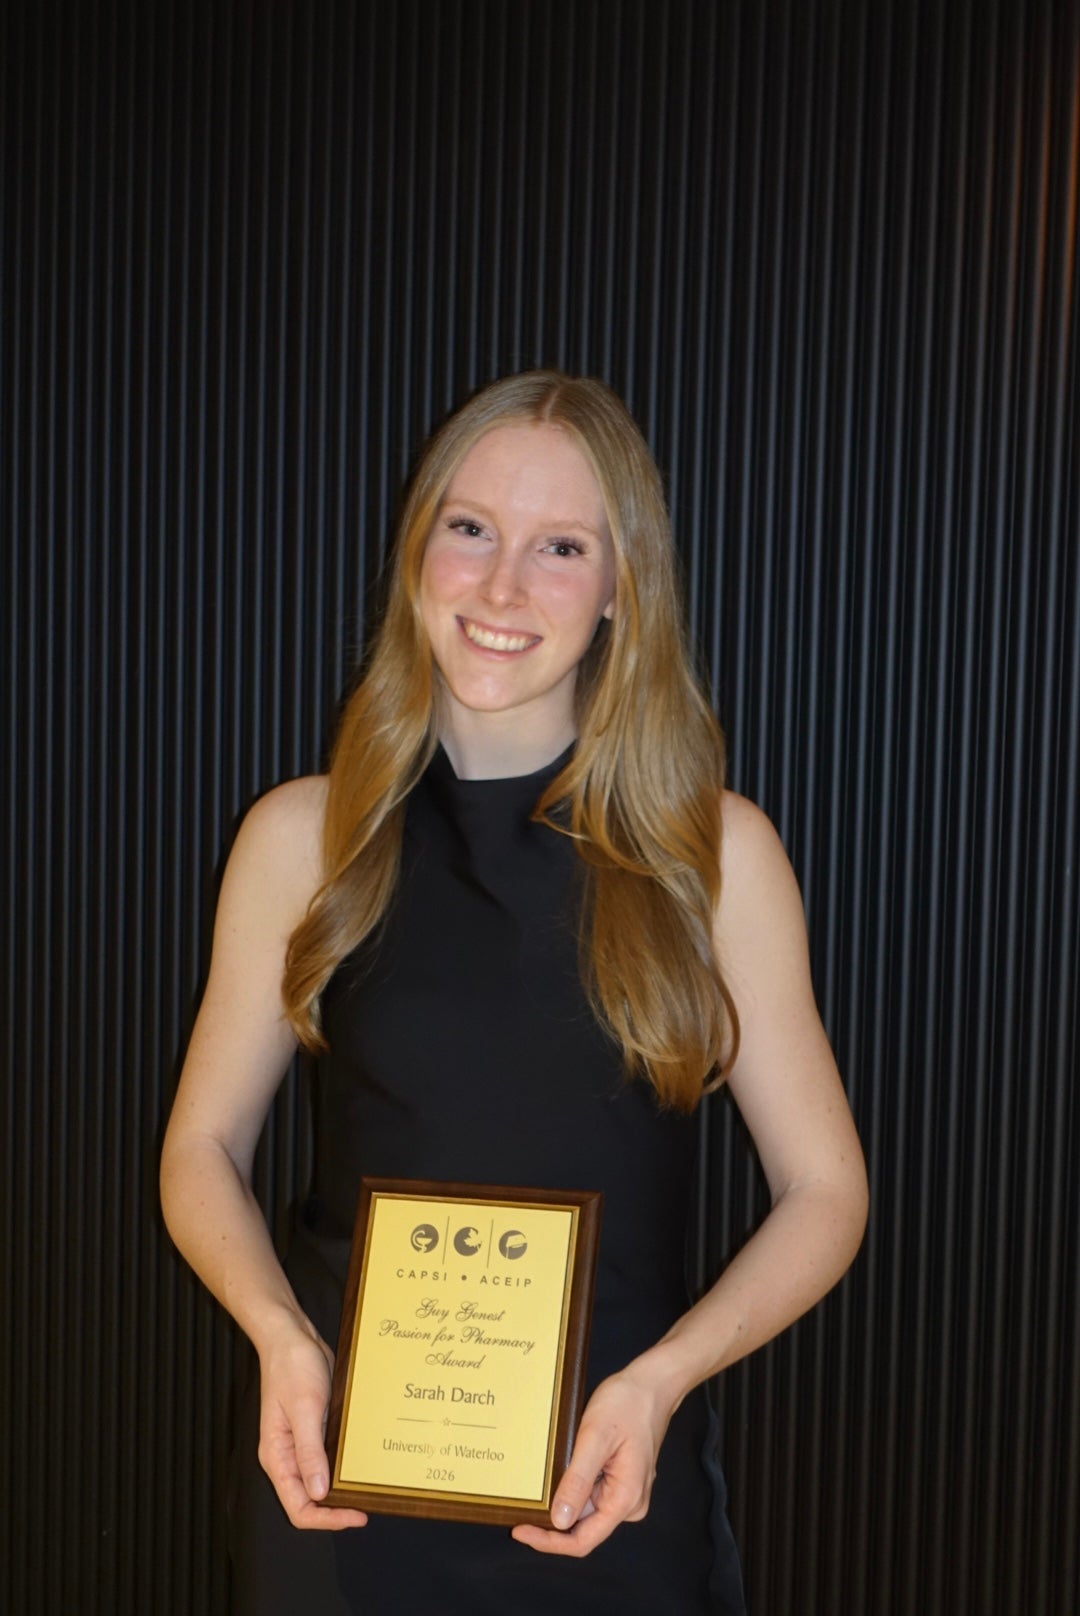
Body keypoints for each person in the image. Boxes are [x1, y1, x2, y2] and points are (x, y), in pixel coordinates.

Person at [160, 370, 868, 1614]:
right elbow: (202, 1143)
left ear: (619, 592)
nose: (500, 587)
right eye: (470, 527)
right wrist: (279, 1334)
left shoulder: (714, 853)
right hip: (339, 1486)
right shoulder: (304, 834)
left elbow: (826, 1192)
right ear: (417, 547)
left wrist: (661, 1383)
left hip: (606, 1488)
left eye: (560, 547)